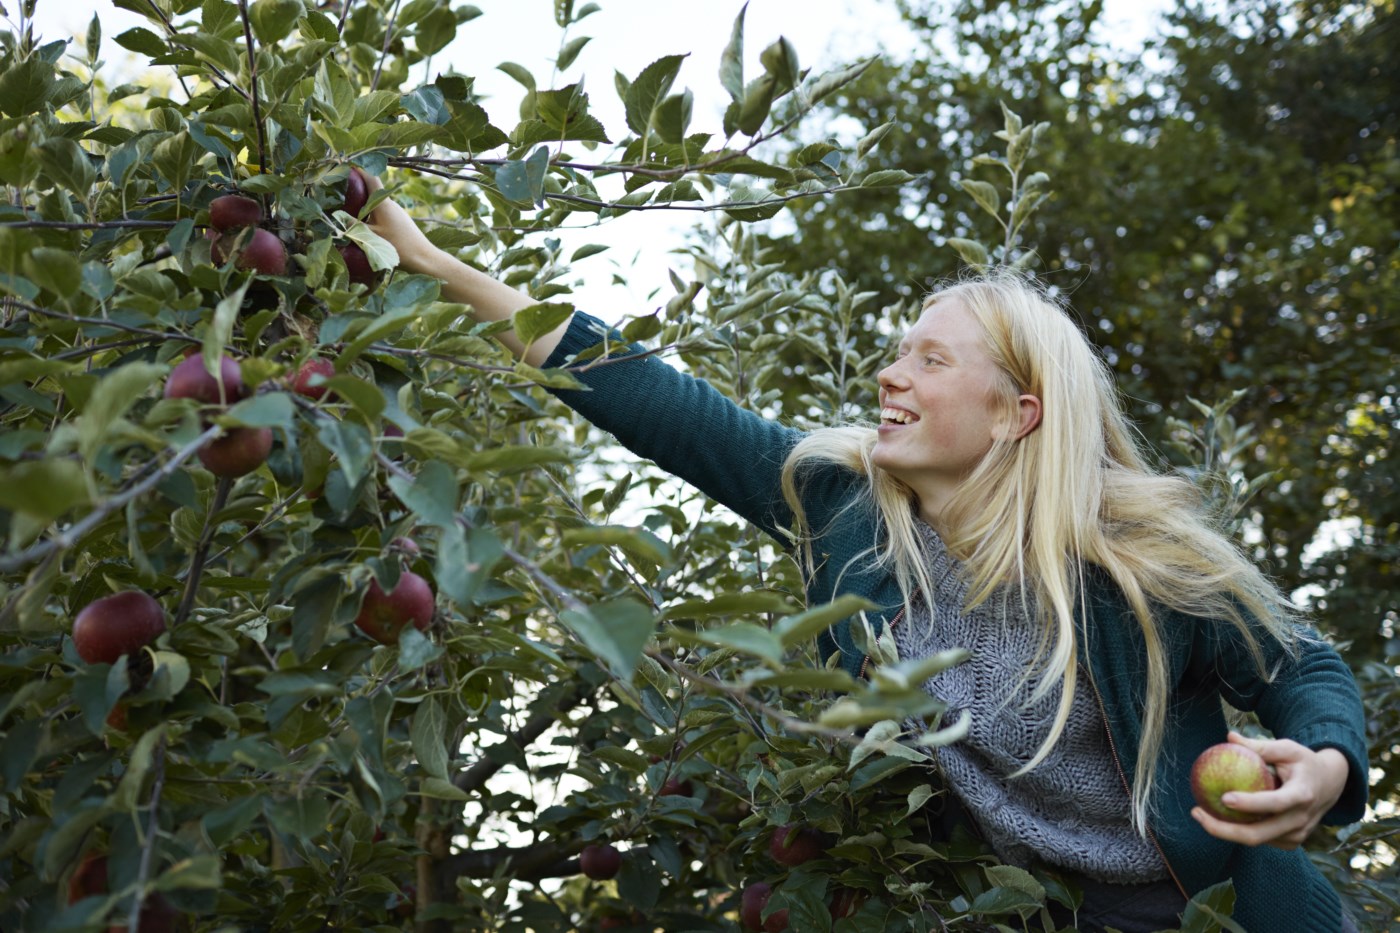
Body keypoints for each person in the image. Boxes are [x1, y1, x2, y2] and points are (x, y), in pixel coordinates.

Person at [361, 173, 1369, 932]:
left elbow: (1298, 664)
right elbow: (642, 394)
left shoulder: (1131, 558)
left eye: (928, 360)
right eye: (896, 351)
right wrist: (436, 266)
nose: (890, 377)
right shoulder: (843, 512)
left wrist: (1324, 766)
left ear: (1016, 414)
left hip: (1228, 914)